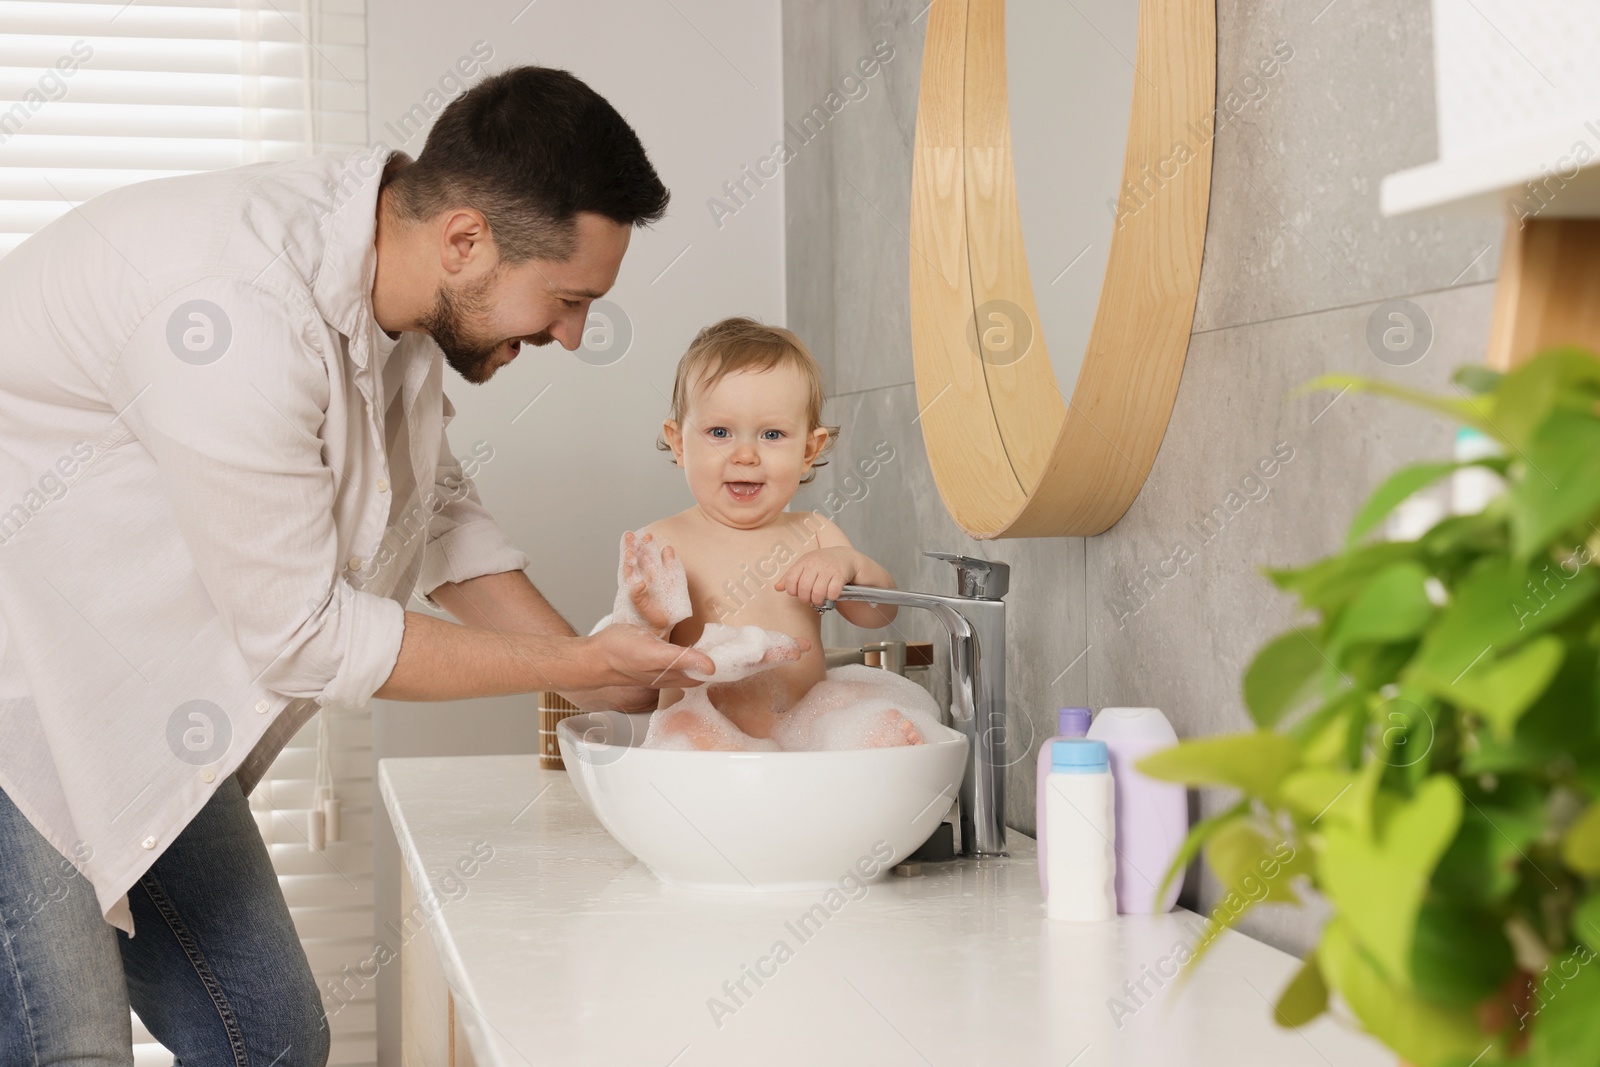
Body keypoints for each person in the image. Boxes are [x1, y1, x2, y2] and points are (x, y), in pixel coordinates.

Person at [0, 66, 711, 1065]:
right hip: (15, 700)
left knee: (270, 1037)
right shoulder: (234, 313)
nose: (572, 333)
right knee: (64, 1045)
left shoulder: (392, 268)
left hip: (111, 694)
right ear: (466, 238)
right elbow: (305, 636)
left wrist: (601, 659)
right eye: (566, 298)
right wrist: (579, 670)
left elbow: (434, 509)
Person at [615, 317, 922, 749]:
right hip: (705, 727)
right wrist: (648, 619)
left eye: (772, 434)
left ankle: (873, 747)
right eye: (719, 432)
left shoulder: (815, 533)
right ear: (680, 443)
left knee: (868, 722)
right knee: (685, 728)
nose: (745, 455)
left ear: (808, 452)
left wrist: (850, 565)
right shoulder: (663, 543)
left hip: (806, 733)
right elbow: (635, 660)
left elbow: (878, 616)